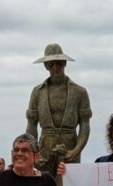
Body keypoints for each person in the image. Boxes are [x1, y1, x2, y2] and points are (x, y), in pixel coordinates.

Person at [25, 43, 92, 172]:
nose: (55, 68)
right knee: (44, 183)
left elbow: (85, 125)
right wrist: (34, 153)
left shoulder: (80, 92)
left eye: (59, 63)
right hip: (44, 151)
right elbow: (31, 125)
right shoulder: (37, 92)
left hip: (70, 149)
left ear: (64, 63)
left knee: (69, 183)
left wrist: (76, 150)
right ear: (46, 66)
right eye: (51, 64)